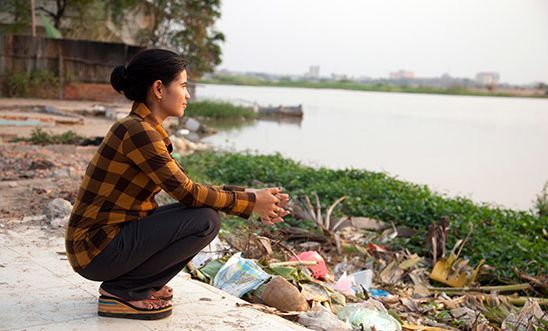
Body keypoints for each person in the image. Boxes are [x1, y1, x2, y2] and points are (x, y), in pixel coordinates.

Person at [64, 48, 289, 320]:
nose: (188, 94)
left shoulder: (142, 128)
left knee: (202, 214)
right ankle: (125, 290)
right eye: (183, 85)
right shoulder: (138, 132)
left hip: (101, 244)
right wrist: (251, 203)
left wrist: (251, 197)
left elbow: (189, 188)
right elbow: (188, 193)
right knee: (204, 220)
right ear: (159, 89)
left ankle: (134, 285)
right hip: (95, 250)